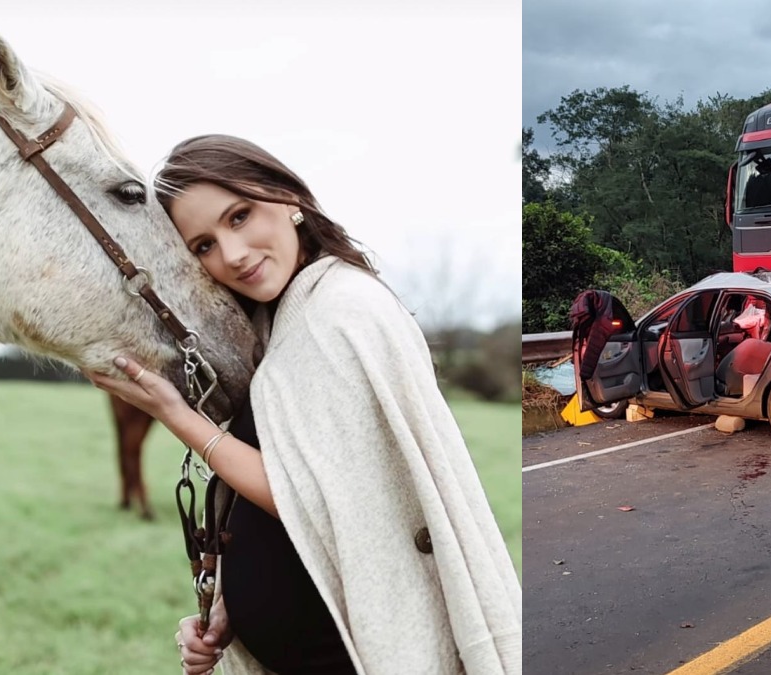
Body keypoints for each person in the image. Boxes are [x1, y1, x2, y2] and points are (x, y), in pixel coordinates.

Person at [84, 135, 521, 675]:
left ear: (289, 199)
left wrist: (177, 416)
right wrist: (229, 609)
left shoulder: (341, 313)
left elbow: (311, 498)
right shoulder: (280, 325)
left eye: (239, 216)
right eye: (203, 245)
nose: (232, 254)